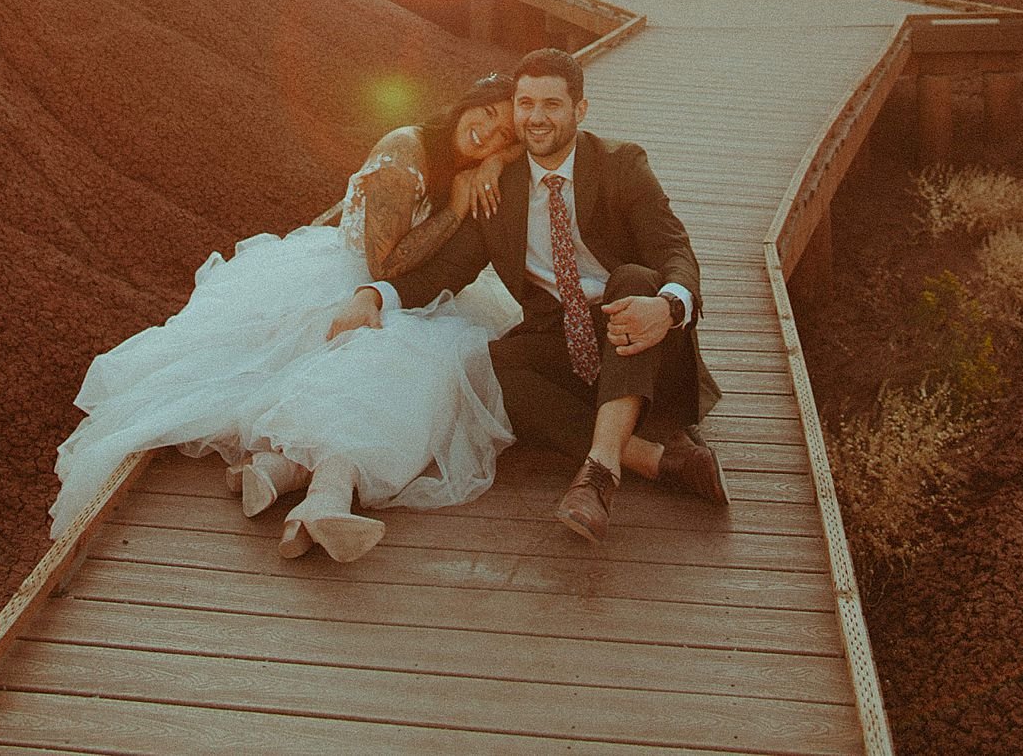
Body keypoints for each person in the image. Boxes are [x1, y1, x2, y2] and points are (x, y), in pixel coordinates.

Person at [49, 74, 519, 560]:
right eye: (485, 114)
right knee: (396, 359)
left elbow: (526, 154)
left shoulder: (475, 159)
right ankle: (322, 493)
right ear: (467, 104)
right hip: (351, 280)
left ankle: (277, 472)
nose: (489, 132)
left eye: (505, 133)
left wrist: (499, 160)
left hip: (406, 291)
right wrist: (456, 209)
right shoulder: (407, 152)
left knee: (432, 359)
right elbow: (386, 265)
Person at [329, 46, 728, 546]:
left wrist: (668, 307)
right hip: (566, 346)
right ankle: (658, 459)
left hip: (644, 346)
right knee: (485, 364)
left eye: (552, 105)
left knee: (631, 279)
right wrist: (373, 293)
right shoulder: (499, 192)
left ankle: (599, 476)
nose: (536, 118)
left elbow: (675, 250)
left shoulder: (621, 164)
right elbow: (447, 272)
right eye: (525, 104)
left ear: (579, 111)